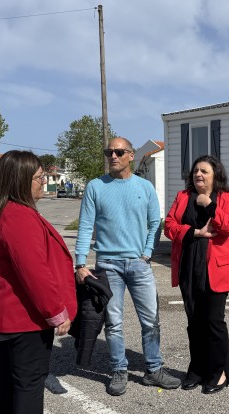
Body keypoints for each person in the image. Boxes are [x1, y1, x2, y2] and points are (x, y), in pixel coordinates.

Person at [0, 150, 76, 414]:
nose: (43, 181)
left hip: (6, 314)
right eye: (38, 177)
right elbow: (33, 272)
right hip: (25, 316)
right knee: (29, 380)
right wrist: (56, 312)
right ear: (21, 181)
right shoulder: (18, 215)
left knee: (8, 376)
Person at [75, 136, 180, 396]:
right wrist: (79, 262)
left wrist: (146, 253)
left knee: (151, 321)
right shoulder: (95, 187)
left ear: (131, 155)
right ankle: (119, 370)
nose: (113, 156)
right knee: (114, 323)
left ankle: (154, 370)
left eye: (119, 152)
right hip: (107, 266)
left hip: (139, 265)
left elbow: (155, 222)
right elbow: (86, 225)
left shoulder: (144, 187)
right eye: (109, 151)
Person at [164, 155, 229, 394]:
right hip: (189, 266)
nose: (198, 175)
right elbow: (168, 225)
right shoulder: (183, 197)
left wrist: (209, 205)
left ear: (215, 175)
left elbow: (228, 226)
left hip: (216, 269)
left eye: (204, 171)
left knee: (213, 322)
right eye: (196, 170)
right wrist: (195, 232)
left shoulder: (226, 197)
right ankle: (197, 369)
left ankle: (220, 372)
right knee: (194, 322)